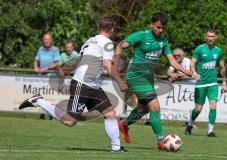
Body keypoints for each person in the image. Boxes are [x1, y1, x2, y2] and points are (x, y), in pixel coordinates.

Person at [19, 15, 128, 152]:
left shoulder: (90, 40)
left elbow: (78, 61)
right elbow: (108, 65)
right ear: (112, 29)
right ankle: (38, 101)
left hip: (91, 85)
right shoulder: (107, 42)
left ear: (99, 27)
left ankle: (116, 148)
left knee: (110, 113)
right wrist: (120, 82)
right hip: (83, 85)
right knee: (69, 121)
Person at [114, 12, 192, 150]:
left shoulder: (163, 42)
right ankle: (161, 142)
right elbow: (120, 45)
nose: (160, 30)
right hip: (135, 76)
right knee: (155, 106)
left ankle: (124, 124)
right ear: (152, 24)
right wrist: (115, 65)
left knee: (143, 109)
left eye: (163, 28)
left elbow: (172, 60)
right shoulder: (141, 36)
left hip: (148, 79)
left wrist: (183, 70)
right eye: (158, 27)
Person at [185, 29, 227, 137]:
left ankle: (210, 131)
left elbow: (222, 67)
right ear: (205, 37)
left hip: (213, 84)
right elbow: (192, 63)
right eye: (209, 36)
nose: (210, 38)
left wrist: (224, 82)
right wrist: (194, 73)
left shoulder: (219, 51)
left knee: (213, 105)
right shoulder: (199, 49)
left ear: (215, 37)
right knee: (198, 109)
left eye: (212, 36)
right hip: (201, 84)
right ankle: (190, 124)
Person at [34, 33, 60, 120]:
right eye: (45, 39)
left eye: (49, 39)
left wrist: (46, 68)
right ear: (43, 40)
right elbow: (36, 60)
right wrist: (35, 67)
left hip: (51, 78)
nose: (47, 41)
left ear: (51, 40)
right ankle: (42, 113)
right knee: (42, 96)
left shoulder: (55, 49)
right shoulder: (40, 49)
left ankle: (51, 114)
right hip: (41, 78)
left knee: (50, 97)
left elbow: (57, 63)